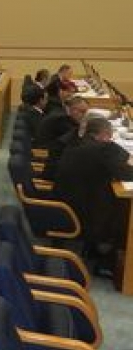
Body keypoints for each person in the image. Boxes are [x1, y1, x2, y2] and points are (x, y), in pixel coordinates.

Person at [54, 117, 133, 275]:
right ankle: (107, 260)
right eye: (110, 135)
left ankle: (97, 248)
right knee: (126, 208)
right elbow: (126, 173)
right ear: (104, 134)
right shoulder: (104, 149)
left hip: (65, 203)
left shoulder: (78, 143)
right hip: (83, 210)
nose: (111, 139)